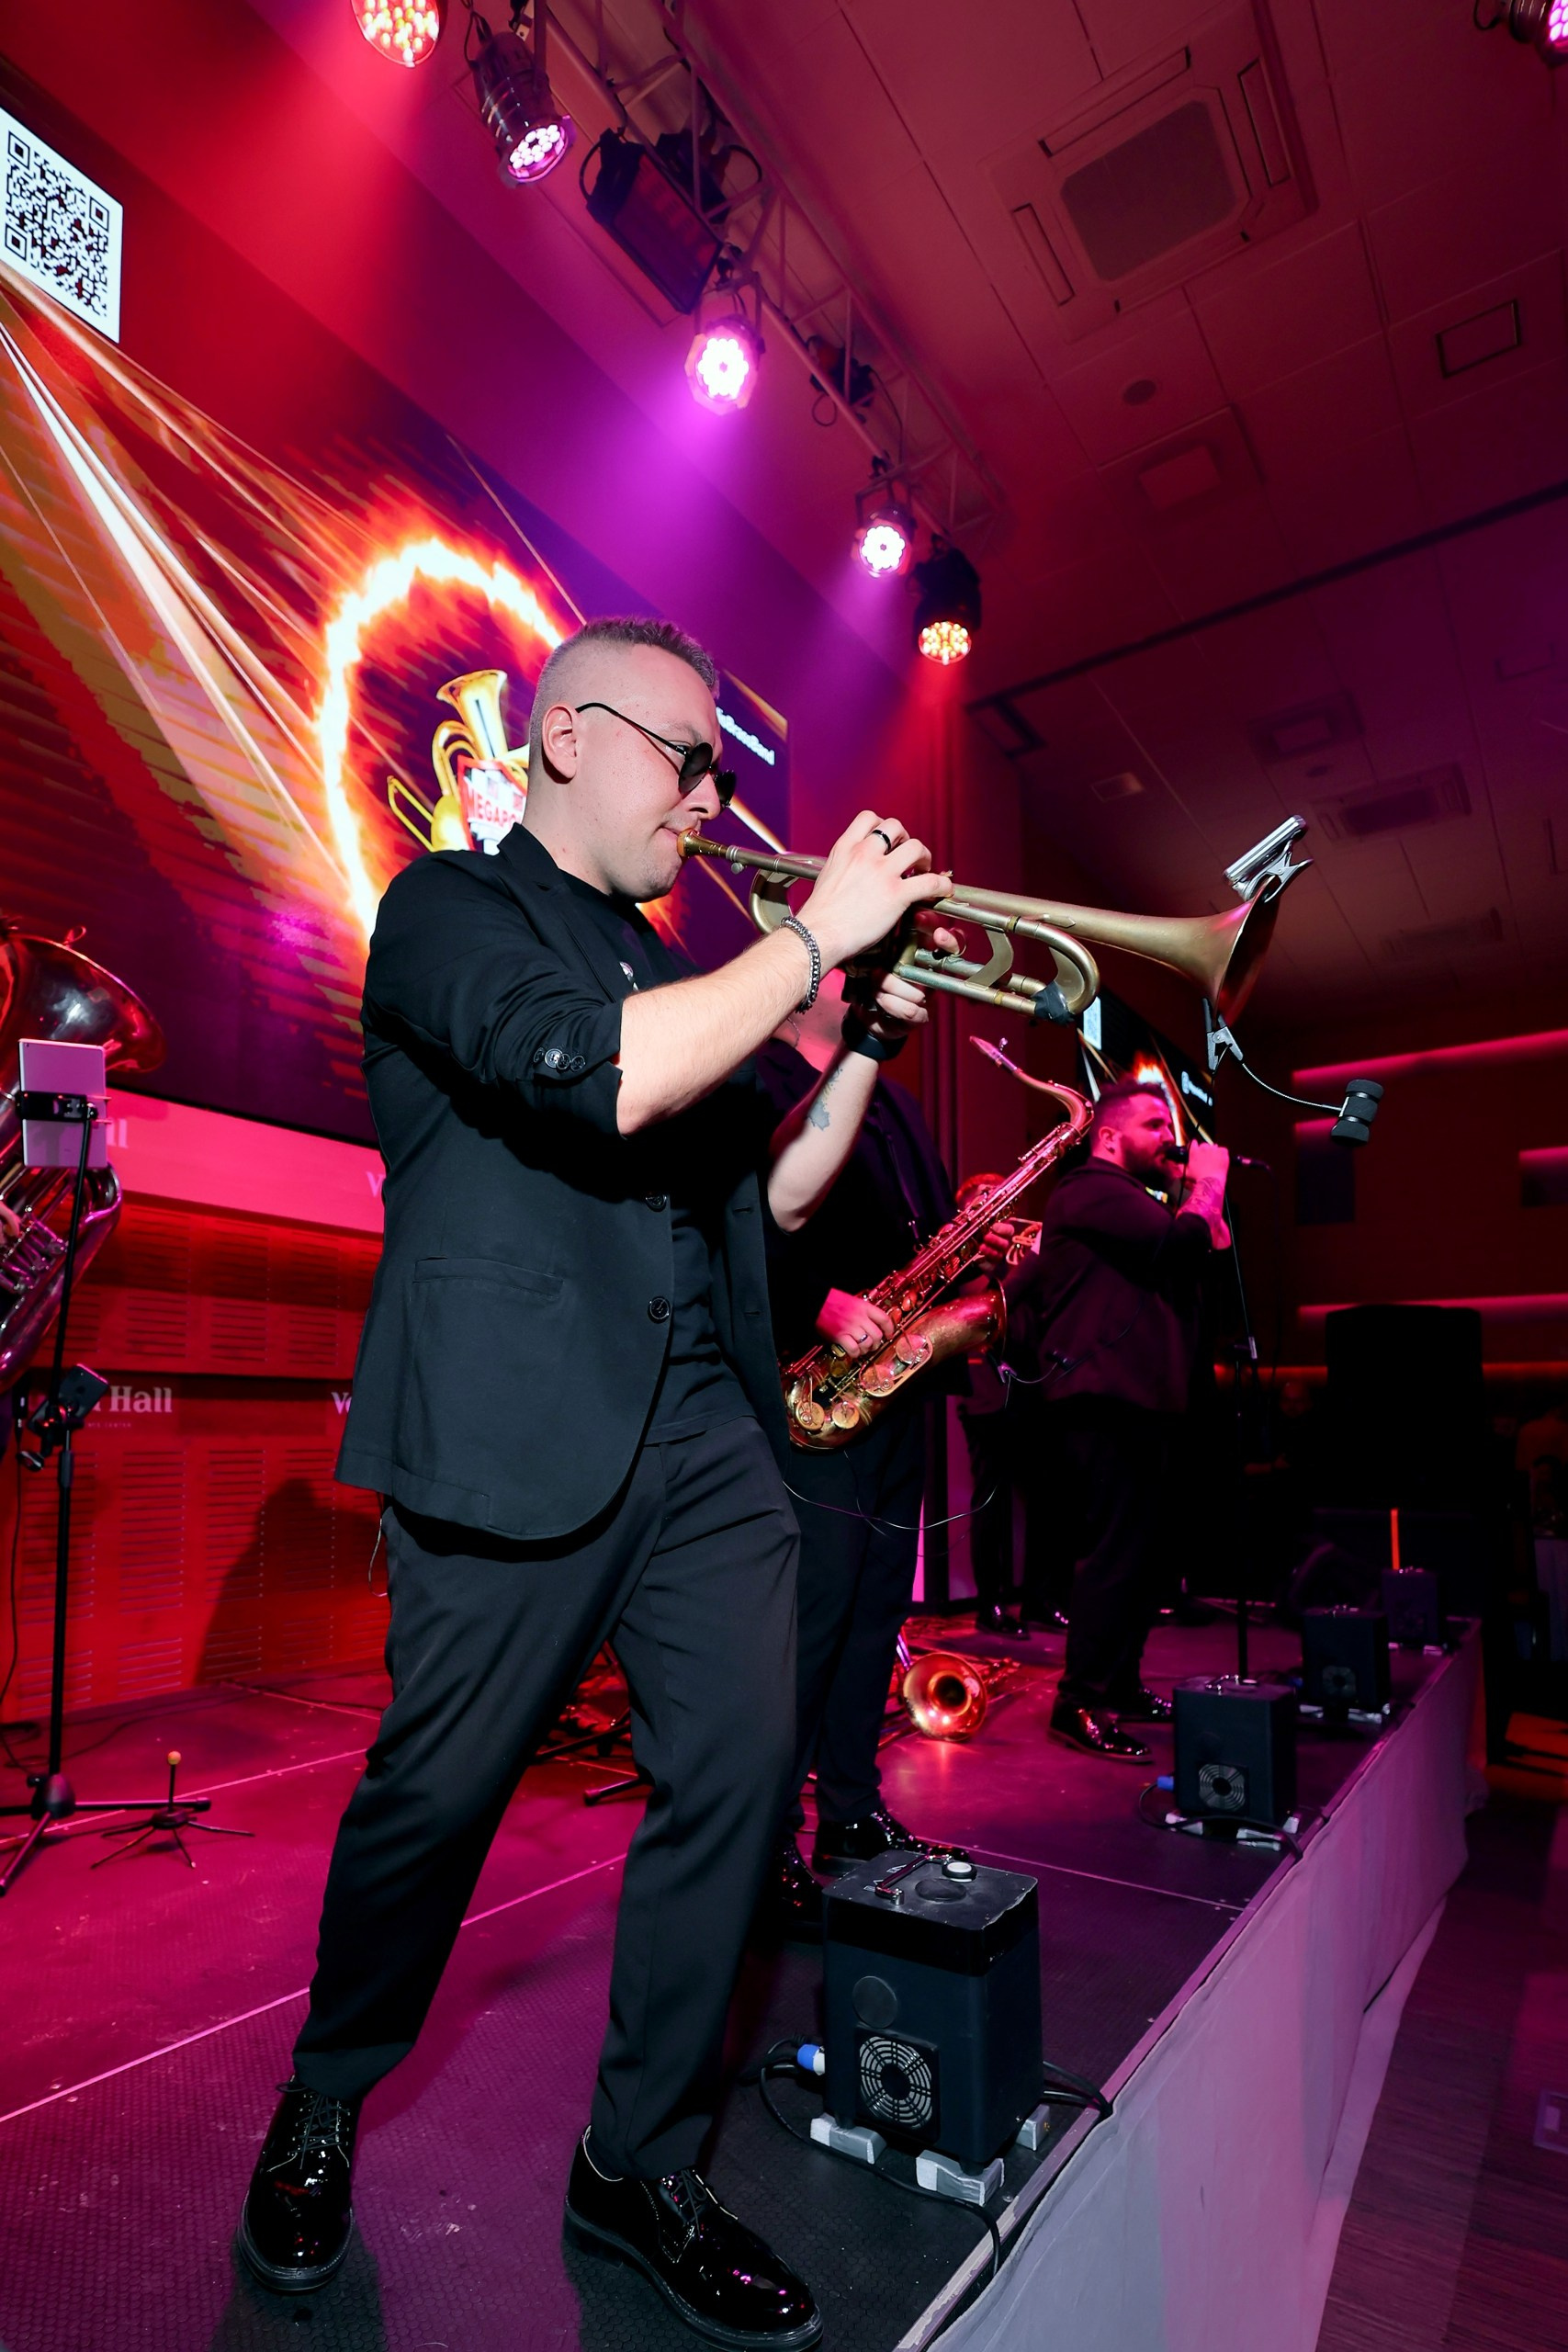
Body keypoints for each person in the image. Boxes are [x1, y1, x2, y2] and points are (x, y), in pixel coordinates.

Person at [236, 616, 955, 2351]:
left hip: (704, 1431)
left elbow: (775, 1202)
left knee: (742, 1775)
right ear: (566, 736)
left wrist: (861, 1035)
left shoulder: (674, 966)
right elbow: (594, 1073)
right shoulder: (448, 911)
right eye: (687, 758)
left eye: (719, 770)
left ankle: (638, 2164)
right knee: (435, 1800)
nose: (709, 799)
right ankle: (326, 2091)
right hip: (509, 1424)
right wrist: (808, 944)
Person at [754, 973, 1011, 1932]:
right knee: (809, 1623)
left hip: (893, 1390)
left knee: (872, 1619)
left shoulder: (895, 1100)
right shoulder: (758, 1077)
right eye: (845, 961)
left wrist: (972, 1256)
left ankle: (850, 1812)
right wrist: (812, 1299)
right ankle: (766, 1837)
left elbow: (921, 1230)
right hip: (812, 1387)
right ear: (796, 984)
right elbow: (727, 1214)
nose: (867, 972)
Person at [1004, 1080, 1229, 1761]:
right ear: (1108, 1136)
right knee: (1114, 1553)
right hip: (1104, 1397)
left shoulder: (1136, 1202)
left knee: (1146, 1557)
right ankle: (1080, 1700)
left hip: (1146, 1397)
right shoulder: (1090, 1189)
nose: (1169, 1137)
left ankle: (1120, 1684)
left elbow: (1201, 1252)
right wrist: (1207, 1184)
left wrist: (1195, 1200)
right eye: (1154, 1124)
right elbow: (1179, 1245)